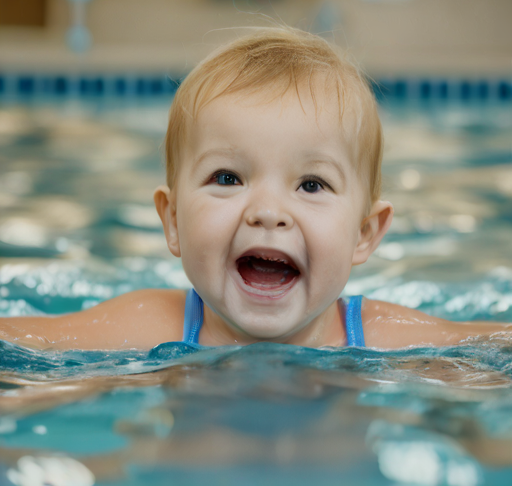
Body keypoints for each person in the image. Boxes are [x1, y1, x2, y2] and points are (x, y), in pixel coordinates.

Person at [0, 27, 509, 351]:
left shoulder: (386, 340)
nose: (268, 212)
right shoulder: (148, 326)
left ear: (364, 233)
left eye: (311, 184)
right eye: (228, 178)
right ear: (173, 220)